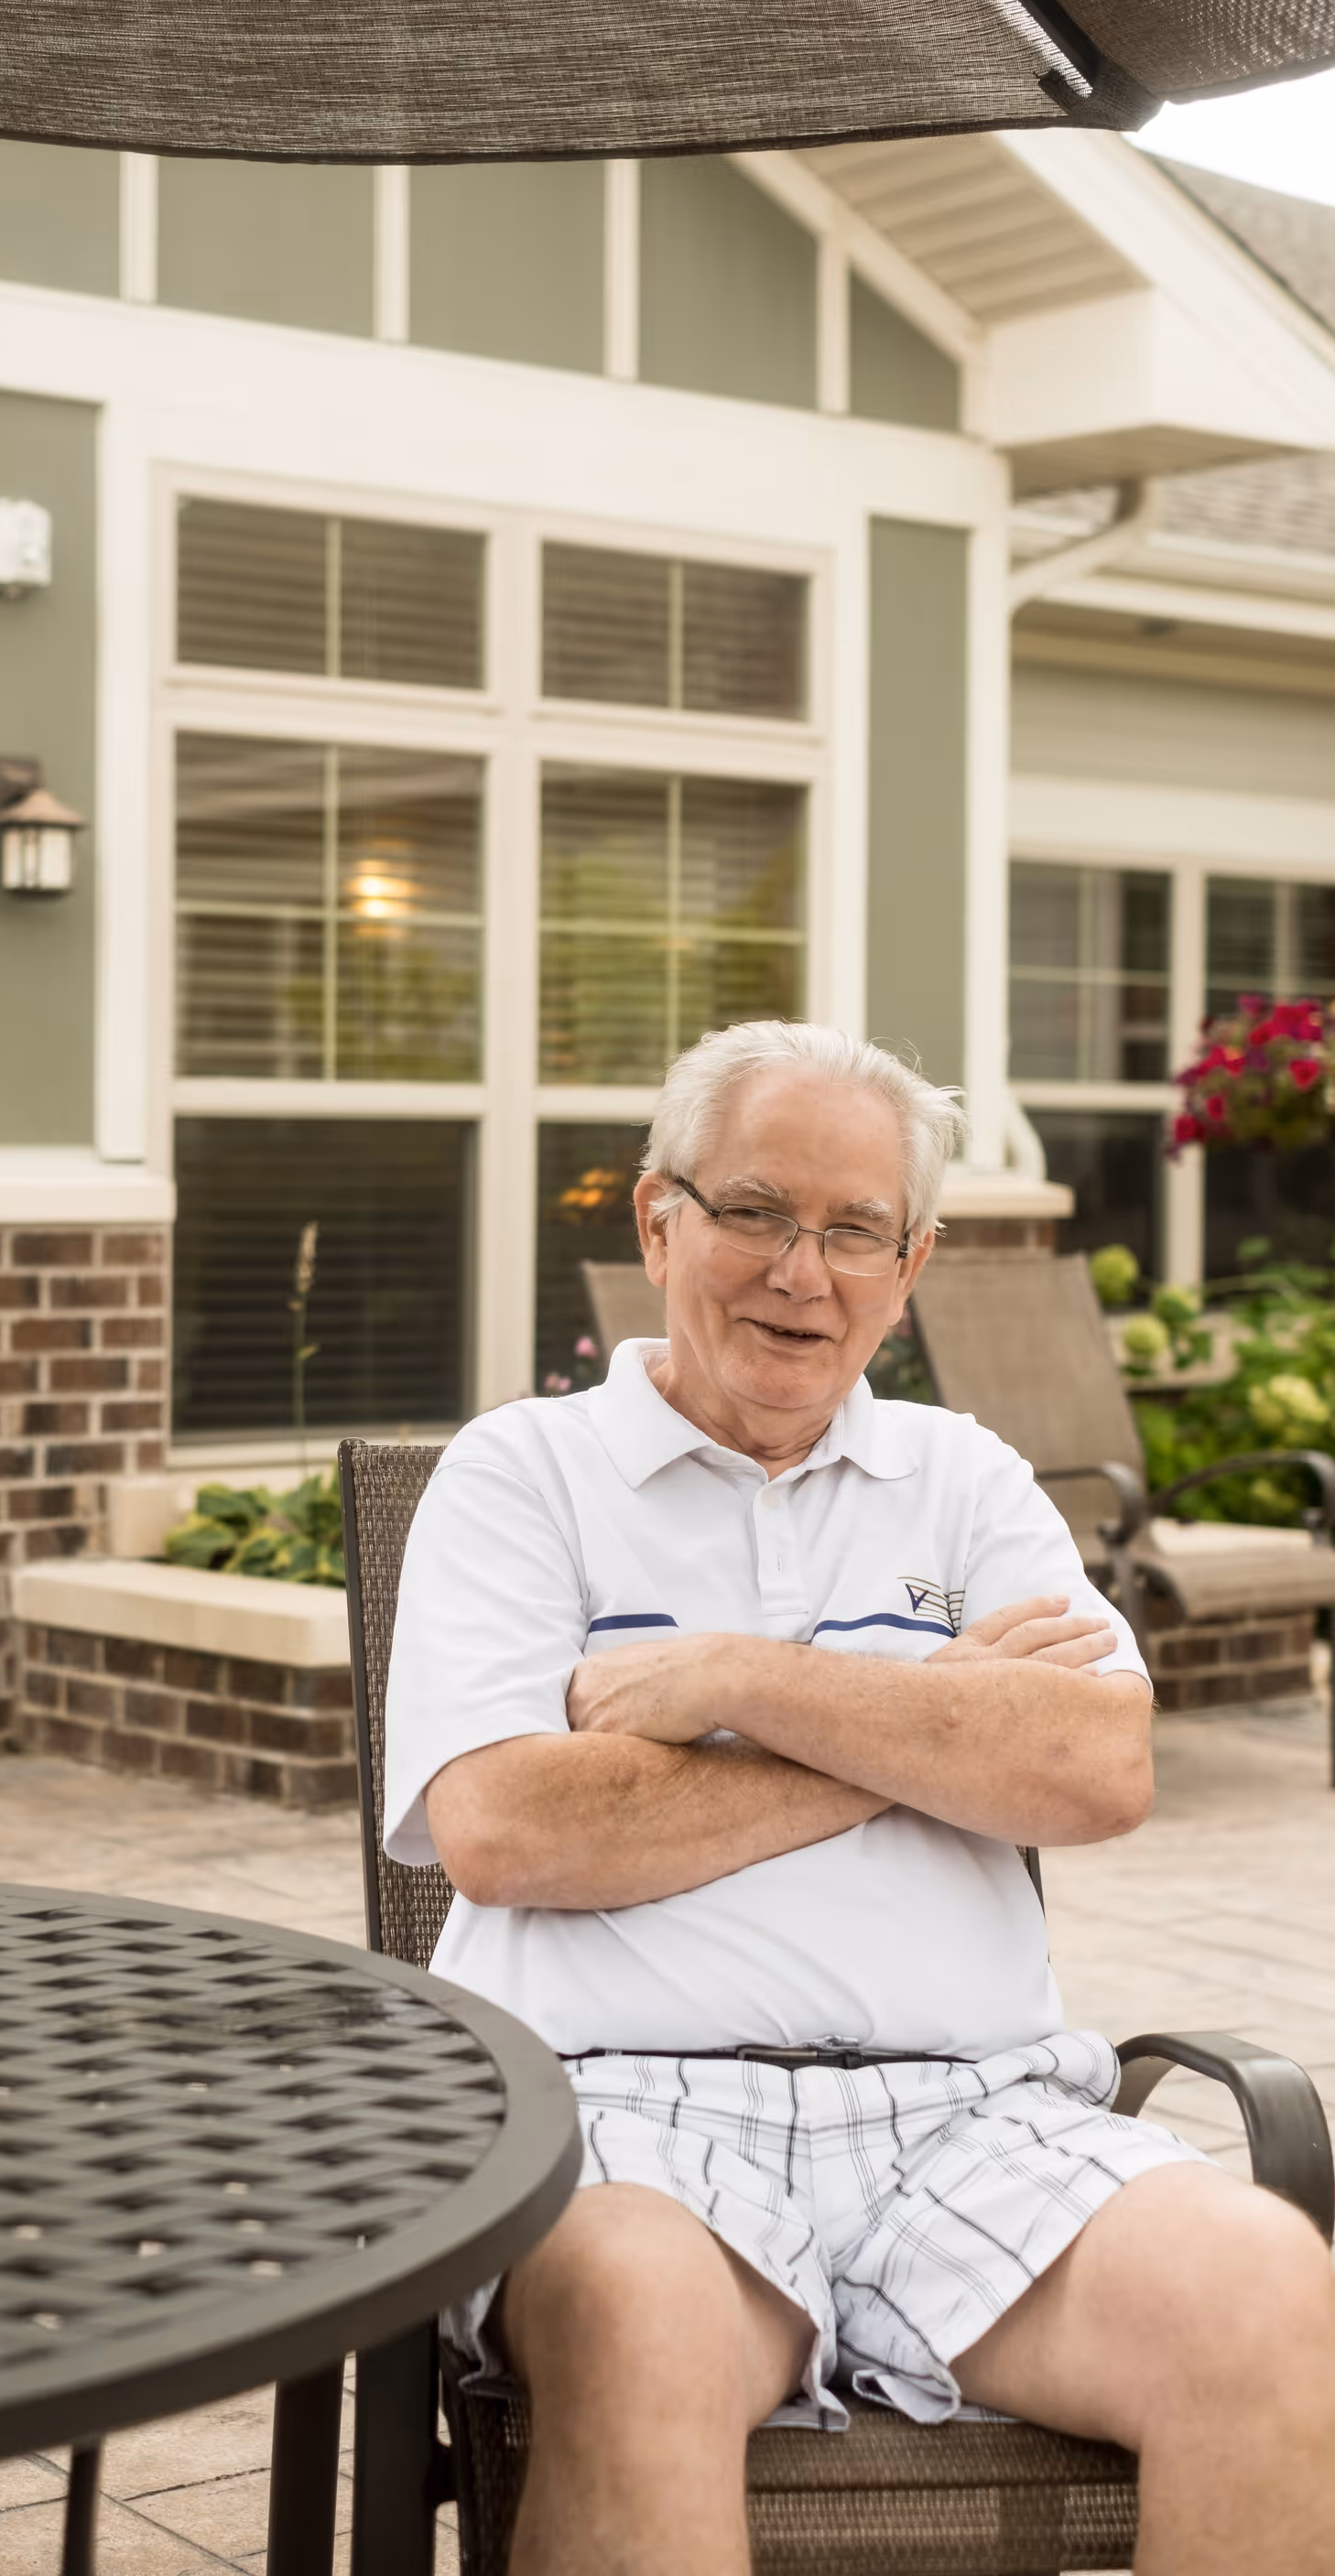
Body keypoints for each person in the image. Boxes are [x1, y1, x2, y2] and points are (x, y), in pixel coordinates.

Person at [384, 1020, 1335, 2576]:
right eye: (755, 1211)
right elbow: (510, 1829)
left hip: (980, 2114)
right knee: (639, 2319)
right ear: (658, 1217)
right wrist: (930, 1723)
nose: (799, 1273)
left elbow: (1099, 1767)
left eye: (854, 1232)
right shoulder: (523, 1474)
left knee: (1270, 2288)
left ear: (914, 1260)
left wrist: (737, 1685)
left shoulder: (967, 1478)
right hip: (626, 2108)